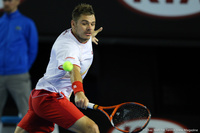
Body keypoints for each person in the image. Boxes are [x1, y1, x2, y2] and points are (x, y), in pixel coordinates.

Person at [15, 3, 102, 133]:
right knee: (91, 129)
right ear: (73, 24)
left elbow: (86, 33)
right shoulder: (67, 46)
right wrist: (79, 92)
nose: (89, 28)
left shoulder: (83, 34)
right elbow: (73, 70)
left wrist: (91, 34)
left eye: (92, 24)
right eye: (84, 23)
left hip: (40, 95)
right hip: (49, 97)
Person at [0, 0, 38, 119]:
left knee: (28, 112)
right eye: (4, 0)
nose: (6, 3)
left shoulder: (27, 23)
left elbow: (33, 49)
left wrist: (23, 67)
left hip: (19, 75)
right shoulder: (0, 22)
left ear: (18, 1)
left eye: (9, 0)